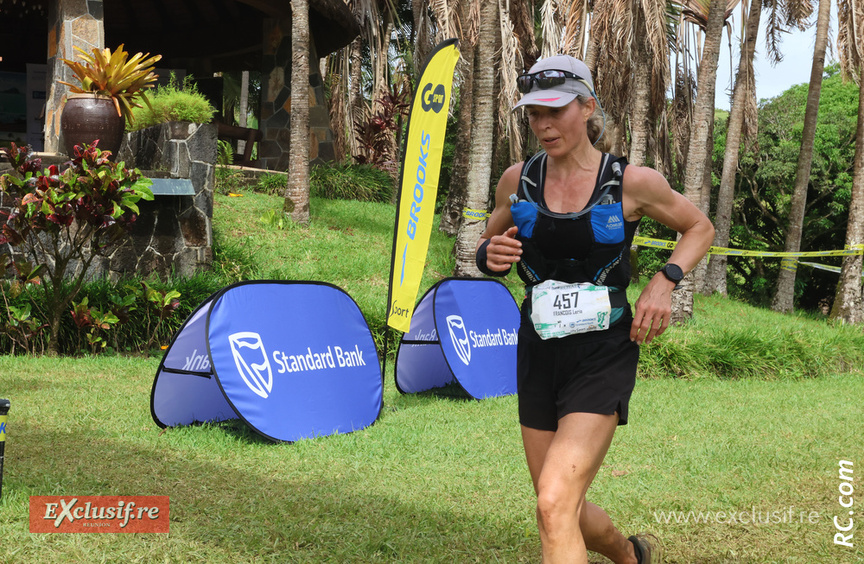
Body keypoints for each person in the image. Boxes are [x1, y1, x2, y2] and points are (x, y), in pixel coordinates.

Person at [475, 55, 715, 564]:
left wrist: (664, 280)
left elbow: (700, 228)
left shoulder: (631, 182)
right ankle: (628, 555)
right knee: (559, 503)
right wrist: (487, 255)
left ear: (586, 107)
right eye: (533, 114)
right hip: (539, 349)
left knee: (554, 500)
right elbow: (491, 239)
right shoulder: (517, 179)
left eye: (554, 111)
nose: (542, 125)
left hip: (602, 351)